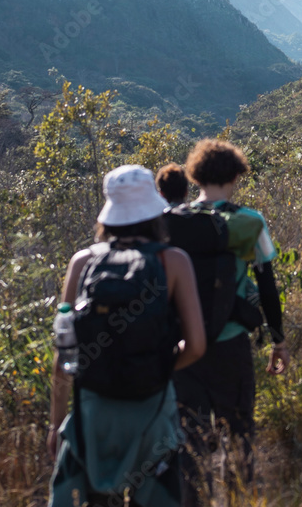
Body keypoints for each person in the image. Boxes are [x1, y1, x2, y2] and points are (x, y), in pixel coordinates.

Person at [47, 165, 206, 507]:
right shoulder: (173, 261)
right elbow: (196, 345)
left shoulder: (83, 262)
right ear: (154, 211)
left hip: (93, 408)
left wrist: (56, 424)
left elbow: (64, 355)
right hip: (152, 406)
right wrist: (157, 364)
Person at [173, 139, 290, 507]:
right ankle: (240, 499)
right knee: (239, 434)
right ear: (237, 174)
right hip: (231, 343)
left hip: (184, 348)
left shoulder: (174, 222)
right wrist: (278, 340)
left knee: (190, 440)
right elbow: (267, 285)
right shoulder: (248, 222)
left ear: (195, 174)